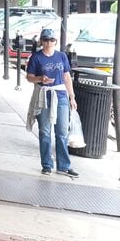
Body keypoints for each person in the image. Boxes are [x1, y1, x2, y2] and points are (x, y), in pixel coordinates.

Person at [26, 28, 79, 178]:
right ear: (41, 41)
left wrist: (72, 97)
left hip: (60, 95)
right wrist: (39, 79)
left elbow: (67, 77)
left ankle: (64, 166)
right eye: (46, 40)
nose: (49, 43)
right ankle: (47, 164)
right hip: (44, 95)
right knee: (45, 132)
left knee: (62, 132)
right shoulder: (36, 58)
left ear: (55, 41)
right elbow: (29, 77)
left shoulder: (61, 56)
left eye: (52, 40)